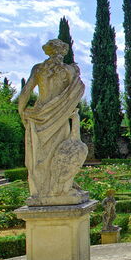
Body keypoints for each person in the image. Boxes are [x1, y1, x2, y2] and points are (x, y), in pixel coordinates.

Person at [17, 39, 88, 205]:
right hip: (60, 117)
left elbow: (25, 92)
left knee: (41, 154)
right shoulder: (69, 70)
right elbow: (76, 93)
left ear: (48, 51)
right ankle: (59, 188)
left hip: (39, 115)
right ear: (63, 52)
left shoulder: (39, 69)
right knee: (61, 150)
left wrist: (22, 112)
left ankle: (46, 190)